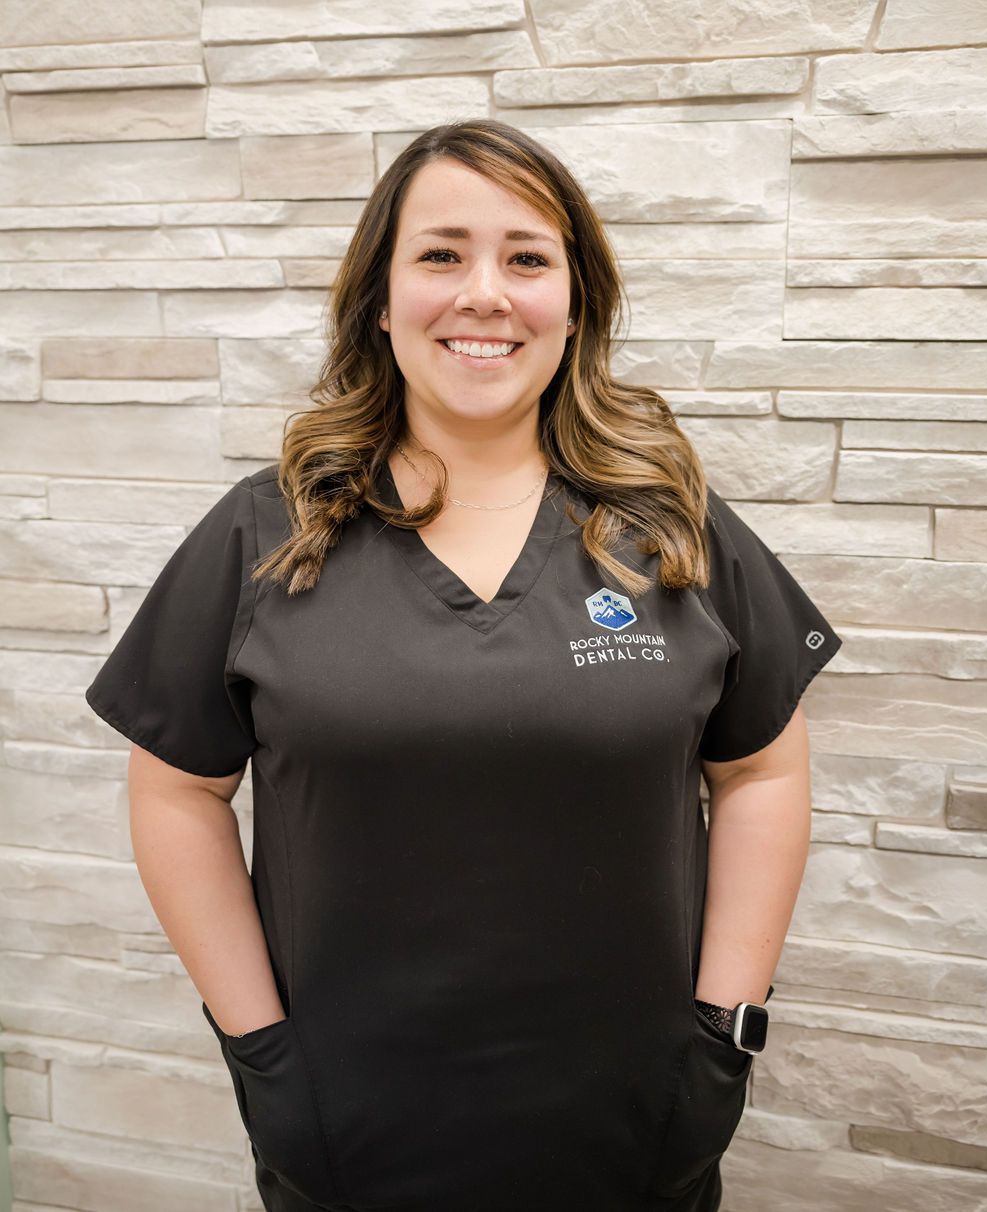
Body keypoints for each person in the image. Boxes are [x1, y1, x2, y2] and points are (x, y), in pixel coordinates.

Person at [84, 118, 842, 1212]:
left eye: (526, 258)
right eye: (441, 254)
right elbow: (176, 791)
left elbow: (761, 769)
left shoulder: (670, 529)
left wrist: (725, 1031)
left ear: (573, 305)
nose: (484, 294)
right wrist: (259, 1049)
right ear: (380, 299)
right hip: (348, 1131)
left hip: (636, 1128)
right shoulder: (268, 534)